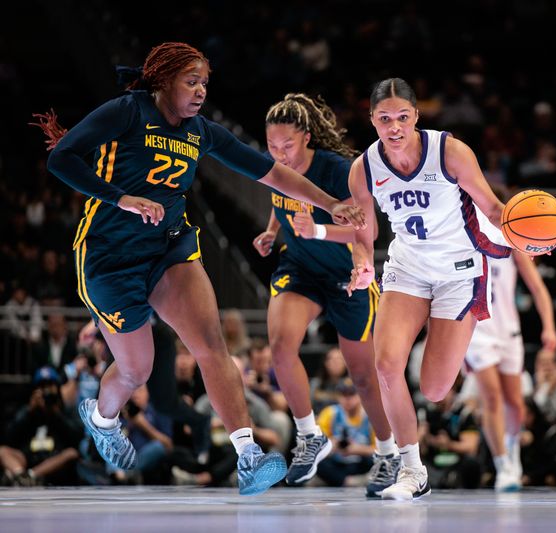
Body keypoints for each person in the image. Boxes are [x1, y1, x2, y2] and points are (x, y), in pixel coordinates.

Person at [31, 42, 364, 496]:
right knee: (135, 371)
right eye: (191, 81)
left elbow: (268, 172)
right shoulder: (126, 112)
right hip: (109, 259)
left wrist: (329, 203)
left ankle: (248, 455)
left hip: (168, 249)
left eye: (205, 82)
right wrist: (122, 198)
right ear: (163, 80)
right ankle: (103, 419)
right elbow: (61, 158)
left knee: (211, 344)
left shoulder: (200, 131)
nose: (201, 90)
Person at [347, 78, 511, 500]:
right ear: (372, 121)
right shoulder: (363, 169)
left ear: (417, 116)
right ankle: (411, 469)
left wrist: (522, 235)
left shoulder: (450, 152)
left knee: (435, 389)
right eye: (384, 119)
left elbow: (492, 207)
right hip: (408, 266)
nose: (394, 126)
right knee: (385, 365)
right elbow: (363, 233)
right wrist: (362, 263)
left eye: (403, 117)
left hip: (460, 270)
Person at [251, 92, 400, 497]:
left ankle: (388, 452)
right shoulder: (275, 167)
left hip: (346, 274)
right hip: (299, 269)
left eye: (287, 146)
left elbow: (363, 230)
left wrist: (314, 230)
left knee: (364, 376)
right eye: (271, 146)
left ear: (307, 138)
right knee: (281, 348)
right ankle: (309, 436)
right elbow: (279, 197)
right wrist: (273, 230)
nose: (279, 154)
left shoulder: (338, 171)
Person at [463, 187, 556, 491]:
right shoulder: (462, 235)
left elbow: (538, 288)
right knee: (490, 398)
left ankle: (512, 448)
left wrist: (549, 326)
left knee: (515, 404)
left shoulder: (514, 240)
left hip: (509, 331)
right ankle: (502, 463)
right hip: (477, 330)